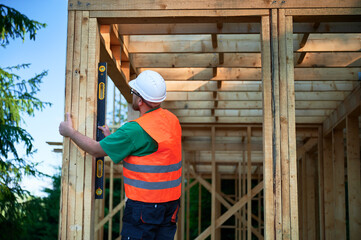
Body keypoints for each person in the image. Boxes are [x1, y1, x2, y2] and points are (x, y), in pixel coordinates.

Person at [59, 70, 182, 240]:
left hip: (144, 207)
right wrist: (114, 142)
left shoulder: (135, 129)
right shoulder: (172, 121)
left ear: (140, 100)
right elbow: (151, 156)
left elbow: (96, 149)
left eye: (133, 92)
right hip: (171, 206)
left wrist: (70, 132)